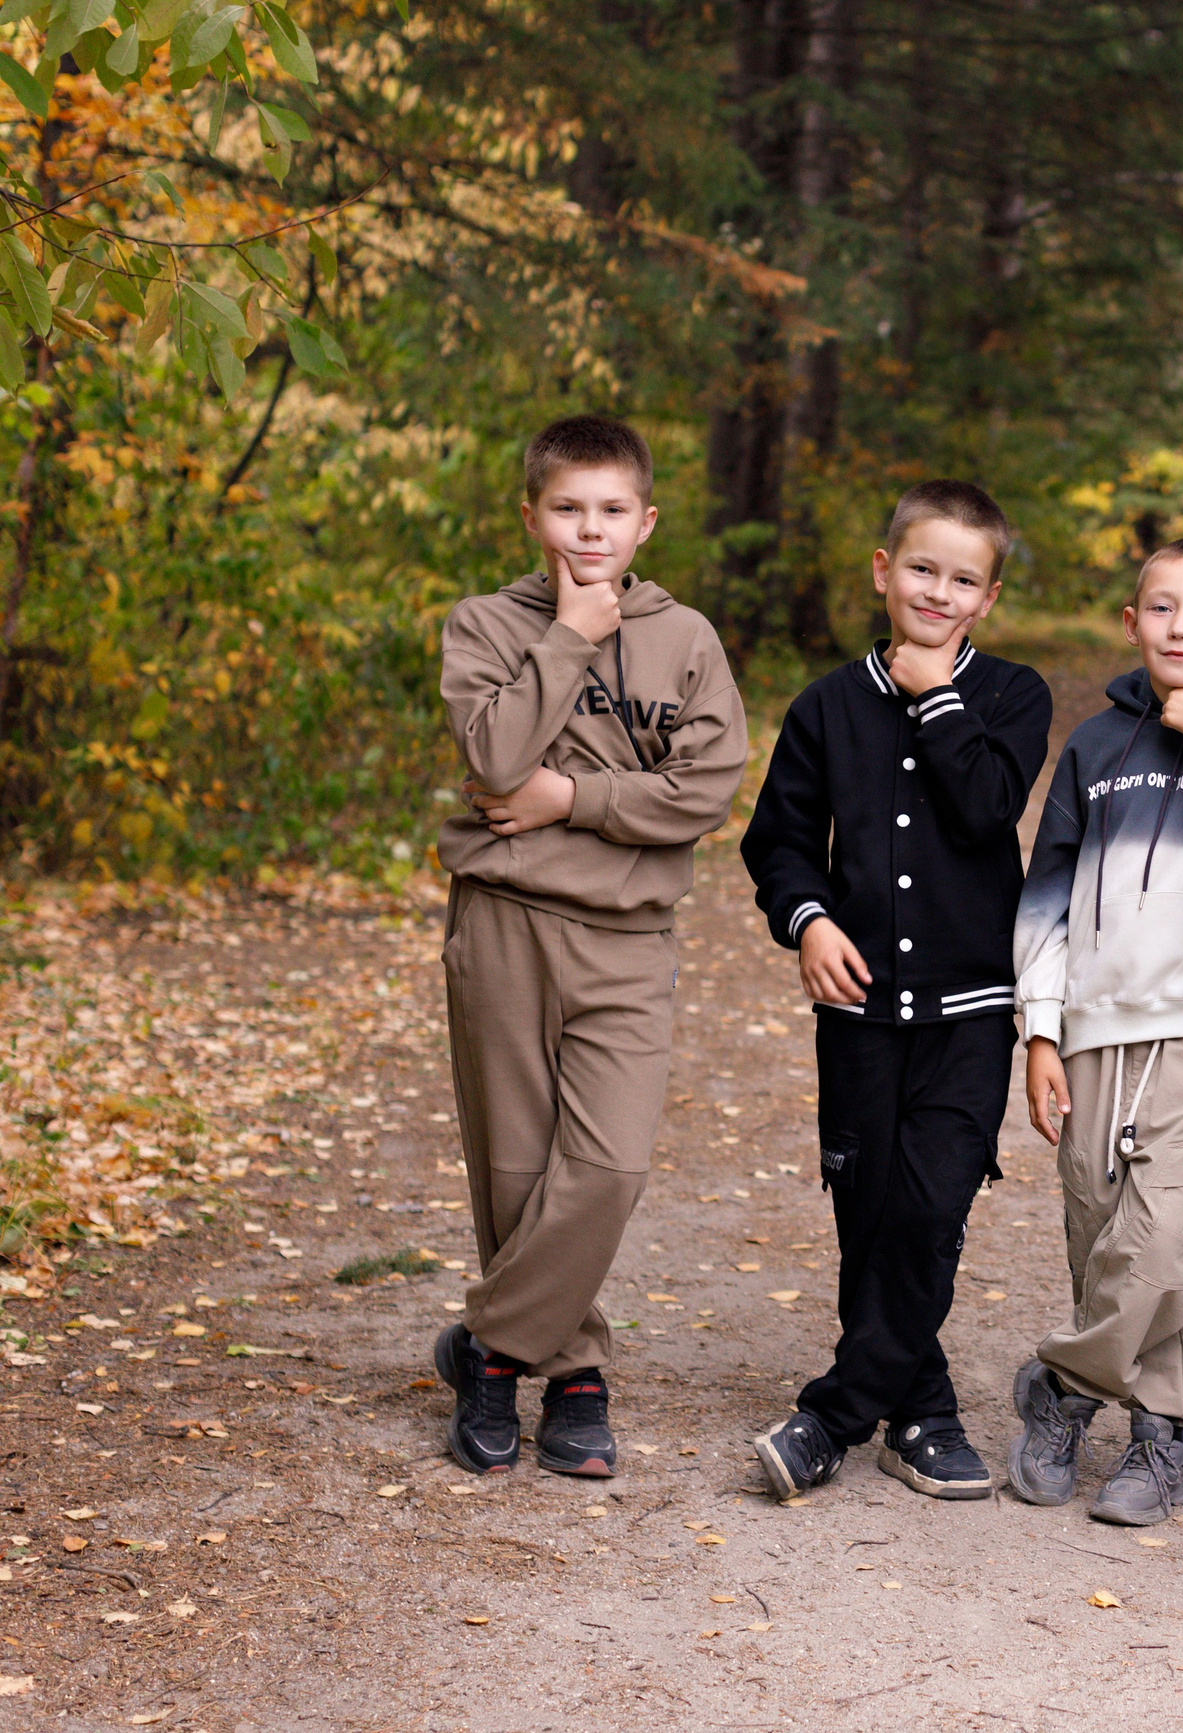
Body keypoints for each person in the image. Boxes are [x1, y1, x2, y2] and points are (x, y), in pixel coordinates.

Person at [432, 413, 747, 1478]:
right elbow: (493, 752)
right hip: (506, 923)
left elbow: (702, 788)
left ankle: (488, 1343)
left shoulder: (686, 638)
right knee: (517, 1167)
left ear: (645, 521)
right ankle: (570, 1375)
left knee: (606, 1167)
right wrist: (568, 634)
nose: (589, 529)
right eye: (567, 508)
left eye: (611, 510)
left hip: (625, 932)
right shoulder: (484, 624)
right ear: (531, 514)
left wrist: (568, 794)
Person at [739, 480, 1053, 1505]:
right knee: (871, 1211)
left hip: (967, 1011)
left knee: (933, 1206)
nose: (938, 590)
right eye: (921, 567)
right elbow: (779, 841)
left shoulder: (1010, 696)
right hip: (859, 1012)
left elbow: (986, 805)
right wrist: (810, 921)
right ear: (884, 571)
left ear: (988, 597)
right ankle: (921, 1409)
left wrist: (937, 694)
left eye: (964, 579)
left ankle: (832, 1414)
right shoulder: (827, 705)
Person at [1005, 536, 1183, 1525]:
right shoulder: (1091, 745)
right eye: (1161, 607)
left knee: (1164, 1234)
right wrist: (1040, 1027)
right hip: (1090, 1023)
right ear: (1131, 624)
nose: (1180, 626)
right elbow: (1043, 895)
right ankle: (1164, 1438)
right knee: (1099, 1224)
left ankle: (1065, 1384)